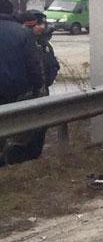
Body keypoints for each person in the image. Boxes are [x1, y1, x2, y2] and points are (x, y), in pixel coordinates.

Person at [2, 10, 58, 165]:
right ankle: (16, 158)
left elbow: (49, 65)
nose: (40, 27)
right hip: (23, 91)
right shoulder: (24, 37)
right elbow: (33, 66)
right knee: (25, 131)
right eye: (37, 24)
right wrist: (38, 85)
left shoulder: (41, 43)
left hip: (28, 90)